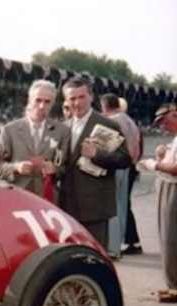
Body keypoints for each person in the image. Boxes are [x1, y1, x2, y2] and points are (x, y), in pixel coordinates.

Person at [59, 77, 131, 247]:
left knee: (95, 257)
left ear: (91, 97)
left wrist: (96, 154)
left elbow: (125, 159)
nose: (77, 102)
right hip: (66, 205)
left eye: (81, 97)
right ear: (66, 100)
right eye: (72, 98)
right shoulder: (63, 126)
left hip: (95, 207)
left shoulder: (108, 124)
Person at [0, 80, 70, 200]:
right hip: (16, 197)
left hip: (47, 200)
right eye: (38, 100)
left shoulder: (62, 132)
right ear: (30, 100)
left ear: (53, 103)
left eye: (47, 102)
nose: (42, 106)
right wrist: (16, 167)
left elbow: (66, 167)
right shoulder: (10, 129)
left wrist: (55, 169)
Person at [100, 93, 142, 258]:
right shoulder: (129, 121)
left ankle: (113, 246)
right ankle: (122, 243)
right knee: (122, 205)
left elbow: (105, 146)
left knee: (112, 206)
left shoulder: (112, 122)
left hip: (116, 165)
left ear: (104, 105)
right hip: (128, 166)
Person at [146, 104, 177, 302]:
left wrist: (154, 164)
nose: (163, 127)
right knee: (168, 237)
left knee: (171, 237)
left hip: (174, 188)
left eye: (166, 122)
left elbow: (175, 168)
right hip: (169, 185)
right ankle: (173, 284)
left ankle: (175, 287)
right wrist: (162, 155)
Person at [119, 96, 144, 255]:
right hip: (132, 166)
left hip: (124, 167)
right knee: (126, 204)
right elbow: (140, 146)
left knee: (123, 205)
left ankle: (131, 240)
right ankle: (132, 241)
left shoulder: (119, 123)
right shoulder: (132, 123)